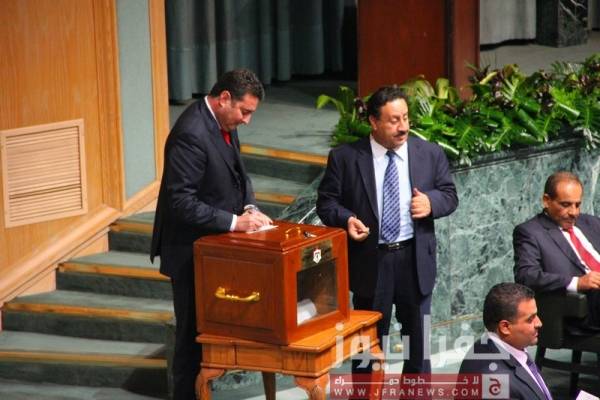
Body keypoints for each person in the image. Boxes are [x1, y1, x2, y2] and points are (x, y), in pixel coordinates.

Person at [316, 85, 458, 373]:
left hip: (414, 260)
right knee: (368, 350)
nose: (403, 127)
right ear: (373, 121)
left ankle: (415, 394)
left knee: (418, 350)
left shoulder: (429, 153)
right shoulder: (345, 157)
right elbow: (327, 203)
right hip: (371, 261)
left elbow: (449, 195)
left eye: (405, 118)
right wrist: (347, 219)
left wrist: (431, 203)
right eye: (393, 120)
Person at [150, 69, 272, 400]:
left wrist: (249, 207)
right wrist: (234, 222)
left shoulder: (224, 123)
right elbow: (180, 202)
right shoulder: (190, 134)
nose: (247, 120)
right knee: (192, 341)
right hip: (190, 253)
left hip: (215, 252)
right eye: (244, 111)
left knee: (210, 338)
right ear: (224, 99)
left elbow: (238, 175)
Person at [514, 171, 600, 330]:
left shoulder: (591, 222)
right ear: (546, 200)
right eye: (566, 205)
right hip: (582, 308)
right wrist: (577, 282)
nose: (574, 212)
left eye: (577, 205)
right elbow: (526, 276)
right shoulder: (531, 232)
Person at [459, 283, 551, 400]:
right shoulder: (495, 384)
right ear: (505, 327)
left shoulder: (493, 346)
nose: (539, 323)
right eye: (530, 319)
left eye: (536, 315)